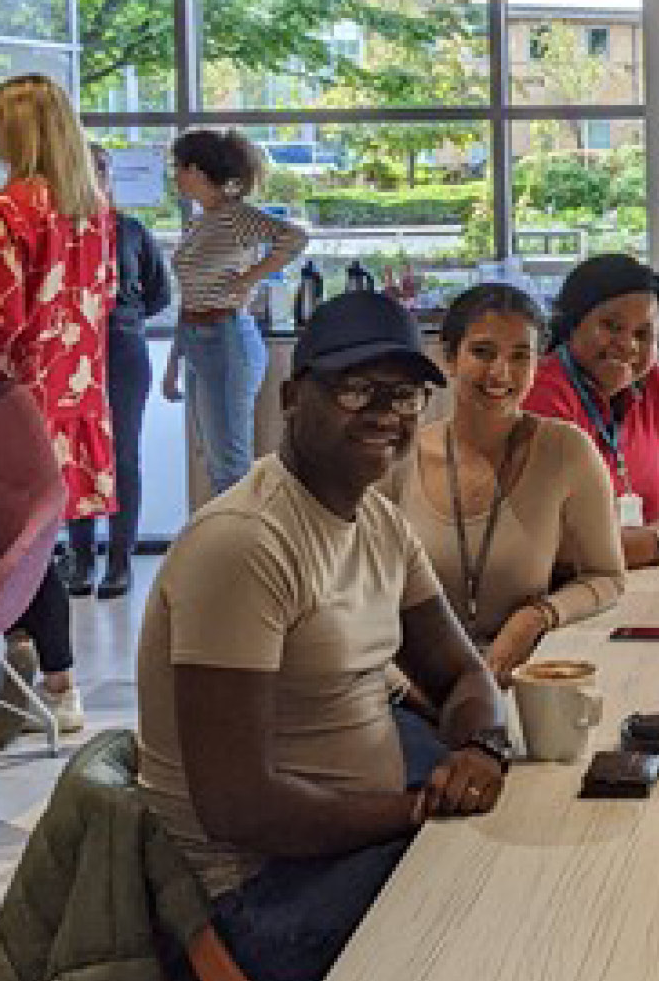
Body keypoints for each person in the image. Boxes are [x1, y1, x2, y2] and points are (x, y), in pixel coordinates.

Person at [136, 291, 511, 981]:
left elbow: (463, 675)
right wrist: (416, 810)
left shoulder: (376, 523)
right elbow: (240, 808)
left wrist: (481, 748)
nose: (385, 415)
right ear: (290, 395)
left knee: (524, 835)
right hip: (258, 897)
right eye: (356, 388)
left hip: (346, 844)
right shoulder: (244, 543)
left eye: (404, 397)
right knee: (496, 900)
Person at [0, 74, 111, 747]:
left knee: (20, 545)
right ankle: (34, 661)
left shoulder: (7, 210)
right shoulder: (94, 208)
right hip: (73, 397)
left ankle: (52, 677)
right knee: (41, 540)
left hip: (12, 405)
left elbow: (0, 321)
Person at [387, 283, 625, 683]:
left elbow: (607, 578)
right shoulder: (398, 457)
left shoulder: (566, 450)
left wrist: (536, 617)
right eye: (482, 352)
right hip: (415, 687)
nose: (501, 373)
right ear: (448, 357)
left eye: (520, 357)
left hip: (524, 677)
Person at [522, 254, 659, 567]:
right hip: (572, 588)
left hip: (646, 572)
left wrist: (647, 542)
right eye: (611, 327)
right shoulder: (544, 393)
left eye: (643, 335)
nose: (628, 345)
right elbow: (553, 541)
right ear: (574, 323)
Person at [169, 128, 308, 496]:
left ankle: (241, 543)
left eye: (177, 167)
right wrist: (173, 365)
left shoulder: (235, 217)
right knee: (215, 458)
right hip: (199, 339)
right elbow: (189, 297)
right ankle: (231, 539)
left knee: (230, 459)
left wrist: (250, 278)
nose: (175, 177)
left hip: (228, 336)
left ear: (196, 171)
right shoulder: (199, 222)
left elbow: (295, 238)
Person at [61, 143, 170, 600]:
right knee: (76, 452)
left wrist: (123, 317)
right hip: (70, 350)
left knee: (122, 454)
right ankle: (82, 558)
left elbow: (159, 294)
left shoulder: (129, 230)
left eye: (102, 169)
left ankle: (120, 561)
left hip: (122, 346)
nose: (98, 176)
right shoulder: (60, 230)